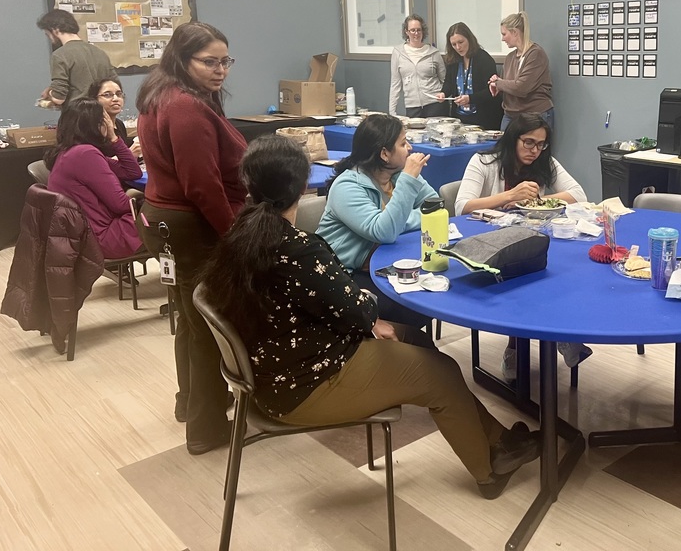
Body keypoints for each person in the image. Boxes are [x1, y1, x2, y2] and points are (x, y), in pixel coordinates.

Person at [200, 135, 541, 497]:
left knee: (416, 339)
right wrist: (366, 303)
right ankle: (488, 471)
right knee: (441, 374)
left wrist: (364, 312)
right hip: (305, 384)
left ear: (249, 184)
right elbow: (359, 308)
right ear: (302, 187)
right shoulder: (298, 250)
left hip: (281, 369)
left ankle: (498, 440)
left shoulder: (242, 234)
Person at [135, 21, 247, 455]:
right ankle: (206, 428)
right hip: (190, 227)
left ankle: (190, 402)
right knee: (206, 329)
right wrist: (234, 237)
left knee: (189, 319)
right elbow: (202, 186)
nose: (221, 71)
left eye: (226, 61)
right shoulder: (185, 107)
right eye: (209, 62)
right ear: (182, 60)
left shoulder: (163, 93)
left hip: (166, 222)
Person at [455, 113, 590, 377]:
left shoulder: (545, 162)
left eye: (541, 144)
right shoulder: (484, 161)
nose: (534, 150)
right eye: (528, 142)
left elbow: (579, 194)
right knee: (524, 278)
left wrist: (538, 200)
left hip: (530, 239)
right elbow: (462, 206)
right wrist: (509, 195)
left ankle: (558, 335)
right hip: (489, 244)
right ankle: (522, 347)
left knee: (555, 273)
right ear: (513, 139)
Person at [317, 114, 439, 333]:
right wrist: (408, 181)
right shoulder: (347, 186)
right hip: (345, 274)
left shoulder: (397, 175)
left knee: (430, 292)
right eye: (403, 143)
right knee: (410, 305)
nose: (410, 148)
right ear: (384, 154)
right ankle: (386, 344)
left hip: (386, 262)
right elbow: (385, 231)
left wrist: (398, 219)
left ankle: (402, 344)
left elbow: (435, 206)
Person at [45, 98, 143, 259]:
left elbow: (133, 172)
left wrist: (114, 139)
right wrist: (138, 199)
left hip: (83, 235)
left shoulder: (70, 152)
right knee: (165, 214)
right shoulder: (85, 154)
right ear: (96, 125)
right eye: (105, 120)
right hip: (102, 238)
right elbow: (121, 205)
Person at [487, 12, 553, 131]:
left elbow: (521, 88)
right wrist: (497, 84)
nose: (502, 39)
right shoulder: (510, 58)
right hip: (510, 115)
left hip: (533, 116)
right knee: (504, 143)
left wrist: (498, 83)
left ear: (515, 32)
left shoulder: (535, 54)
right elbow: (507, 86)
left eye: (504, 34)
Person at [36, 9, 116, 107]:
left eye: (48, 34)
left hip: (77, 112)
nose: (51, 40)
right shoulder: (100, 53)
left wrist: (50, 93)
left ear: (55, 29)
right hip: (102, 112)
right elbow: (115, 85)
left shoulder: (60, 55)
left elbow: (59, 97)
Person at [435, 22, 502, 130]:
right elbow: (449, 82)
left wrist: (470, 99)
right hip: (460, 118)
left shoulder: (484, 59)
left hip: (483, 117)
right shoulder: (453, 60)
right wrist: (443, 93)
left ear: (469, 39)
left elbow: (491, 91)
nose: (458, 47)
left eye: (461, 42)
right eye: (454, 44)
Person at [389, 14, 446, 117]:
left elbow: (444, 80)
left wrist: (444, 96)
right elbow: (395, 84)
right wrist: (392, 112)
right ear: (406, 32)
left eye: (419, 30)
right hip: (412, 106)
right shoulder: (398, 53)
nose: (416, 33)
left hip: (435, 104)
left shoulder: (434, 53)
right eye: (412, 30)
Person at [88, 78, 142, 160]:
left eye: (119, 94)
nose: (115, 99)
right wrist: (129, 153)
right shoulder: (92, 128)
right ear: (94, 99)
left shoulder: (119, 124)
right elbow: (96, 163)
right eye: (107, 95)